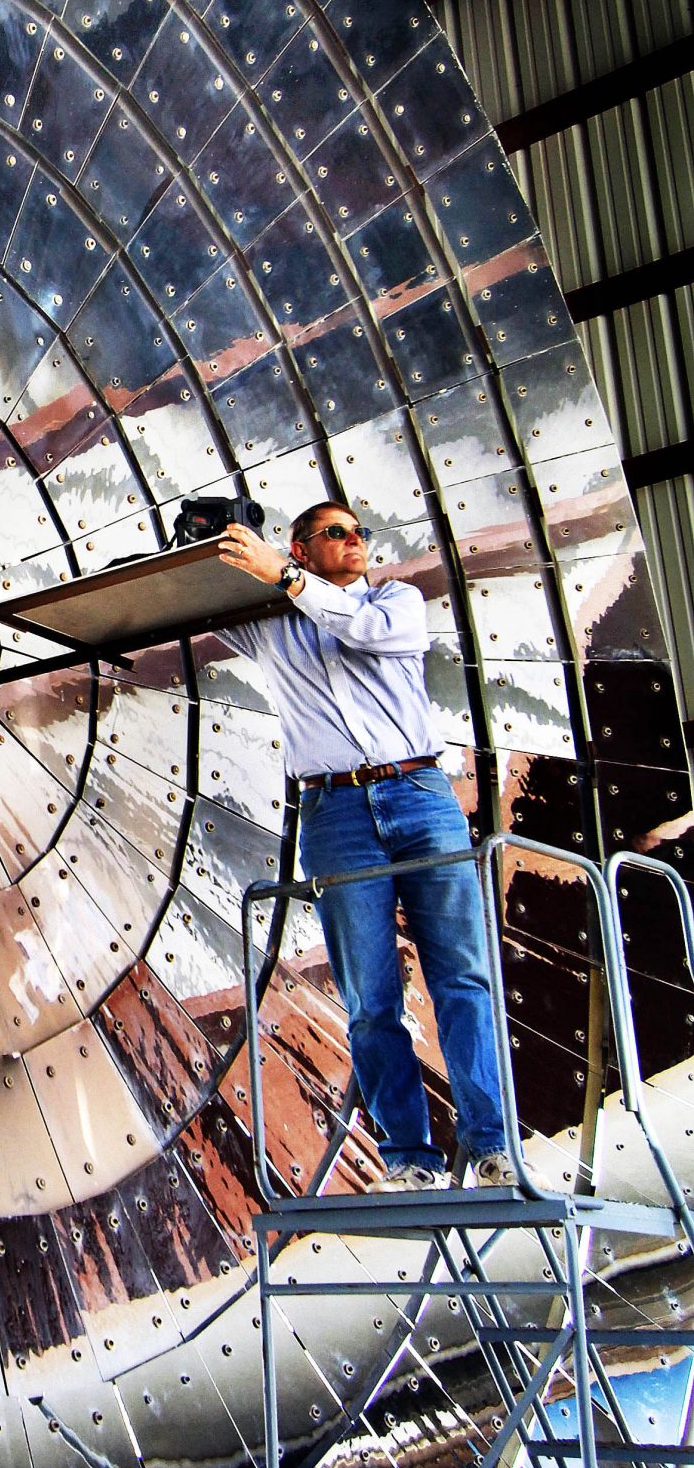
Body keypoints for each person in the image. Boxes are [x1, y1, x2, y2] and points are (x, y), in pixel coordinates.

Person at [215, 501, 512, 1191]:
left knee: (461, 976)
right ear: (301, 545)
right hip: (335, 810)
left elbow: (364, 631)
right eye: (336, 534)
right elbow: (187, 601)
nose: (354, 543)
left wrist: (285, 577)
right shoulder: (270, 625)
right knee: (371, 999)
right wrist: (217, 545)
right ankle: (410, 1159)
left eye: (358, 533)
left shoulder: (395, 603)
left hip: (419, 795)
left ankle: (493, 1146)